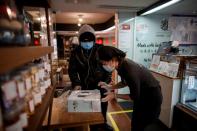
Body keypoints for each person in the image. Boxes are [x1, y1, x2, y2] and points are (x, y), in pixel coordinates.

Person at [97, 46, 163, 131]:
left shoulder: (129, 69)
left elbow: (134, 96)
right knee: (136, 122)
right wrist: (110, 87)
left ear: (113, 59)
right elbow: (125, 82)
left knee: (140, 125)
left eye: (105, 63)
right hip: (142, 96)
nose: (104, 66)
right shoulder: (121, 64)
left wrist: (114, 95)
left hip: (151, 97)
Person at [68, 24, 113, 131]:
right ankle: (91, 124)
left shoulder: (101, 49)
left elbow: (108, 68)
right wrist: (76, 83)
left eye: (90, 40)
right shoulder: (75, 52)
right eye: (84, 41)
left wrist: (106, 82)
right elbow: (72, 70)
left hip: (101, 84)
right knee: (88, 107)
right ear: (80, 41)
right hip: (84, 85)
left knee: (103, 105)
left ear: (94, 40)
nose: (87, 43)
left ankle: (103, 123)